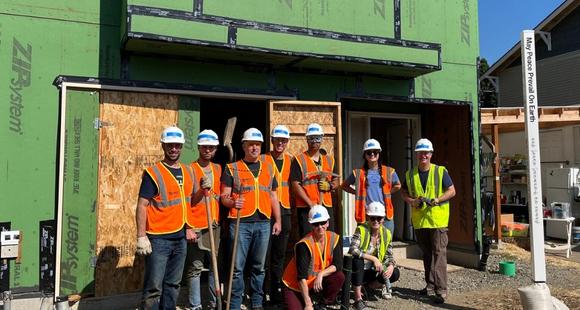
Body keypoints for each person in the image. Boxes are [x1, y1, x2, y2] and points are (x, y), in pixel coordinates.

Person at [220, 128, 282, 310]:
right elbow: (223, 196)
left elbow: (273, 196)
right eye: (251, 144)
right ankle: (234, 304)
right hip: (240, 224)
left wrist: (277, 220)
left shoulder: (268, 168)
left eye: (257, 144)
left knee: (259, 267)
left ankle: (257, 303)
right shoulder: (232, 168)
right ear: (244, 146)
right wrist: (232, 203)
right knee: (237, 268)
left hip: (263, 222)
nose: (254, 148)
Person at [135, 126, 194, 310]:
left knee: (173, 285)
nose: (174, 149)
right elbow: (142, 205)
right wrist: (141, 236)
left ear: (181, 146)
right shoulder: (154, 173)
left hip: (180, 239)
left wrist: (189, 226)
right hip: (159, 239)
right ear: (163, 146)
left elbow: (186, 203)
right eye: (170, 145)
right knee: (154, 288)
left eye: (177, 145)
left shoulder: (188, 171)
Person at [400, 138, 456, 304]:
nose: (423, 155)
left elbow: (452, 191)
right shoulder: (410, 174)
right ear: (416, 154)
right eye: (420, 153)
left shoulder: (440, 171)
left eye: (426, 152)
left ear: (431, 154)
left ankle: (441, 290)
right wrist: (411, 201)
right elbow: (403, 192)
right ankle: (430, 286)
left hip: (437, 221)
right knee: (426, 255)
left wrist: (437, 200)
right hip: (420, 221)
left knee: (439, 255)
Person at [182, 130, 222, 310]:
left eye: (211, 147)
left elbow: (220, 196)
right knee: (195, 267)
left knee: (215, 267)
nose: (208, 150)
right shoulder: (190, 170)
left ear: (215, 149)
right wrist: (201, 190)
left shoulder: (218, 169)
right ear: (198, 147)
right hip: (198, 224)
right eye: (205, 147)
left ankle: (214, 303)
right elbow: (189, 201)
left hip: (214, 225)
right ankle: (195, 305)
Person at [282, 205, 344, 310]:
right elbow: (301, 277)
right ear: (311, 225)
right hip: (294, 287)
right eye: (316, 224)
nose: (320, 227)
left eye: (323, 223)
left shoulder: (334, 238)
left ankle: (323, 304)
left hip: (315, 282)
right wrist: (308, 304)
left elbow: (338, 265)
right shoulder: (304, 245)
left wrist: (321, 274)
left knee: (339, 276)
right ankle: (306, 301)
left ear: (328, 223)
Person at [340, 138, 401, 234]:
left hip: (385, 216)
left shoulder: (389, 171)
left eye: (375, 152)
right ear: (365, 155)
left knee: (385, 245)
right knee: (366, 246)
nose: (372, 154)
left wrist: (388, 192)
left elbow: (398, 185)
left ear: (379, 153)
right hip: (366, 216)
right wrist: (356, 192)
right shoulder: (358, 173)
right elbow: (344, 186)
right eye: (369, 152)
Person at [262, 125, 294, 304]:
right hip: (266, 211)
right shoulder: (263, 159)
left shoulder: (290, 161)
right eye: (277, 140)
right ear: (272, 141)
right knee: (264, 256)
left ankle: (276, 292)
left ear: (287, 142)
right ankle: (263, 292)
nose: (280, 143)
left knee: (279, 256)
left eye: (283, 141)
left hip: (286, 211)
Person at [349, 202, 400, 310]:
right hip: (359, 270)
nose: (376, 221)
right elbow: (353, 250)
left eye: (379, 218)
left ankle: (368, 288)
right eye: (373, 218)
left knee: (395, 273)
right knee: (357, 261)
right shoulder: (361, 229)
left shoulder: (387, 233)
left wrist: (390, 265)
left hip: (374, 270)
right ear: (368, 217)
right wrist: (373, 258)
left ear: (383, 218)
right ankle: (358, 299)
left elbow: (389, 255)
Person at [291, 123, 339, 237]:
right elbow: (295, 185)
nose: (314, 141)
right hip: (306, 208)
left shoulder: (329, 160)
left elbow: (336, 179)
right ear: (306, 140)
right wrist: (311, 204)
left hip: (326, 206)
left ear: (321, 139)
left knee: (327, 237)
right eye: (310, 138)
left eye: (317, 138)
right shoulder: (299, 160)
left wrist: (330, 186)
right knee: (308, 239)